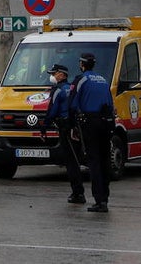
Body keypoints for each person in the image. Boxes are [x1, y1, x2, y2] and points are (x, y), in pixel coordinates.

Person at [69, 52, 116, 213]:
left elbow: (72, 104)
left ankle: (99, 199)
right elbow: (110, 104)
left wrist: (72, 126)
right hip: (106, 122)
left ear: (82, 64)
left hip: (90, 122)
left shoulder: (81, 80)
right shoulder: (103, 80)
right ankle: (105, 199)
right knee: (105, 161)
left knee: (94, 161)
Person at [42, 62, 84, 203]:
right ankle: (78, 192)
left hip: (65, 129)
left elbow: (52, 111)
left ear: (62, 75)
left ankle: (78, 193)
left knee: (71, 162)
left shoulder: (58, 90)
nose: (52, 76)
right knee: (76, 160)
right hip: (76, 128)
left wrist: (44, 127)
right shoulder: (72, 88)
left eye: (54, 74)